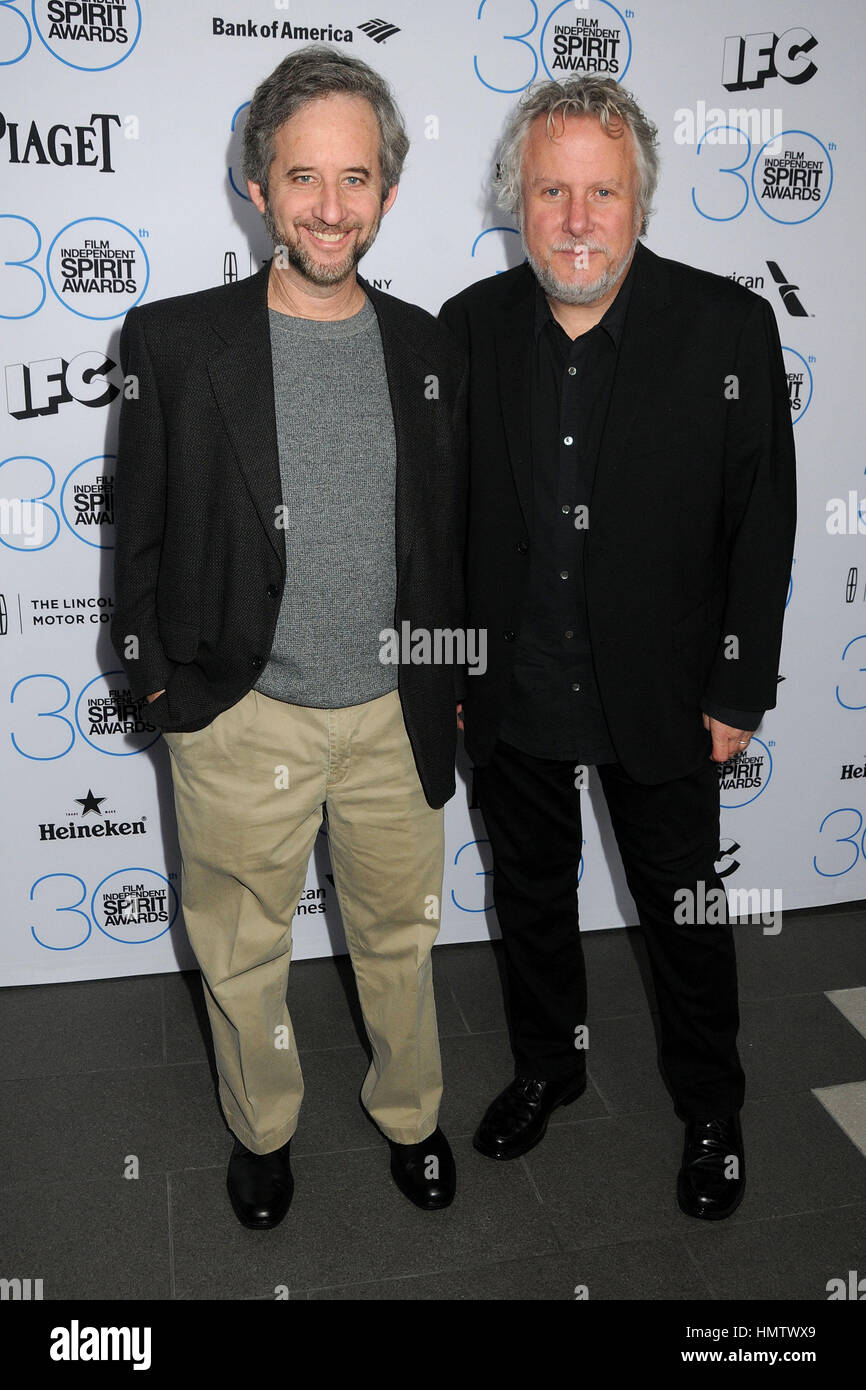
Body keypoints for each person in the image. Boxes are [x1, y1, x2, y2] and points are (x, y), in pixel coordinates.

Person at [111, 45, 466, 1229]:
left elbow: (449, 539)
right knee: (241, 950)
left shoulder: (431, 352)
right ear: (257, 186)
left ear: (386, 193)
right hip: (238, 710)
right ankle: (262, 1129)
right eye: (302, 176)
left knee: (399, 947)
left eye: (354, 177)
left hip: (390, 716)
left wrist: (448, 680)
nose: (328, 205)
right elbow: (141, 536)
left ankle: (410, 1115)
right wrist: (158, 692)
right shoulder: (171, 340)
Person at [440, 76, 795, 1220]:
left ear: (639, 200)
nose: (577, 218)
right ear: (518, 200)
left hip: (665, 692)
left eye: (602, 191)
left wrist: (739, 683)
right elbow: (440, 524)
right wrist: (446, 670)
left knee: (683, 910)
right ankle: (549, 1063)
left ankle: (711, 1106)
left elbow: (761, 524)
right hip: (515, 686)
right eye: (552, 191)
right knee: (530, 896)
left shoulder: (726, 326)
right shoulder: (467, 328)